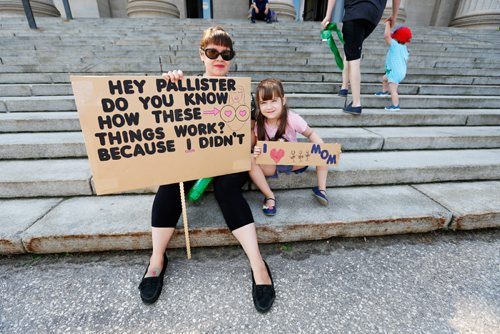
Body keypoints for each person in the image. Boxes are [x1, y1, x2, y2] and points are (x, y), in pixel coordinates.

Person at [138, 26, 275, 314]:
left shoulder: (241, 93)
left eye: (226, 54)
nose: (219, 58)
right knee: (171, 184)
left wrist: (244, 134)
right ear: (202, 55)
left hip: (228, 158)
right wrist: (168, 86)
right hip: (191, 158)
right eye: (212, 52)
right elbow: (161, 121)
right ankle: (156, 260)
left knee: (226, 188)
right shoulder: (183, 86)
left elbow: (249, 139)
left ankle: (258, 263)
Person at [249, 79, 330, 217]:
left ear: (283, 100)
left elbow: (310, 133)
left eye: (274, 101)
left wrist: (324, 148)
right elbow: (256, 146)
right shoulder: (259, 123)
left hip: (293, 162)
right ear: (259, 105)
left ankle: (321, 189)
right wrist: (256, 151)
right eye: (263, 102)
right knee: (250, 159)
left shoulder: (292, 118)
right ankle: (269, 196)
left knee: (321, 150)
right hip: (272, 165)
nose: (269, 106)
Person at [322, 0, 401, 115]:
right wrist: (394, 16)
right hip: (373, 15)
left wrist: (328, 15)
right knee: (351, 48)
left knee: (353, 57)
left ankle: (356, 103)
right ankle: (344, 87)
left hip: (355, 11)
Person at [374, 21, 411, 111]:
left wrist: (387, 25)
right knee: (385, 78)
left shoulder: (395, 45)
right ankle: (384, 92)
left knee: (393, 90)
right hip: (399, 72)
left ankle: (395, 105)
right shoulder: (404, 48)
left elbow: (386, 36)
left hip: (394, 72)